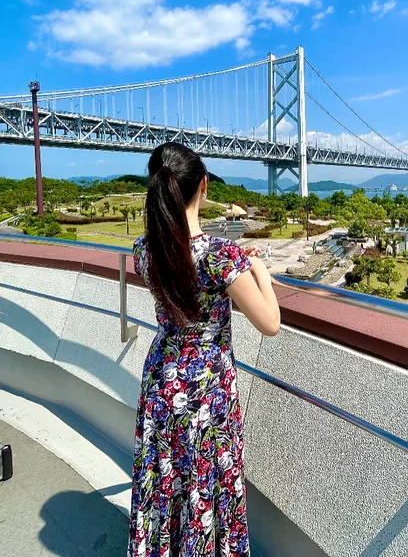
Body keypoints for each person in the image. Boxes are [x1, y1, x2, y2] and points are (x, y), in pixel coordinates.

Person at [129, 142, 281, 557]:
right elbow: (270, 323)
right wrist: (259, 270)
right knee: (205, 488)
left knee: (166, 484)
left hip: (161, 381)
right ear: (204, 187)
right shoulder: (219, 257)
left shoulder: (145, 251)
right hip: (206, 391)